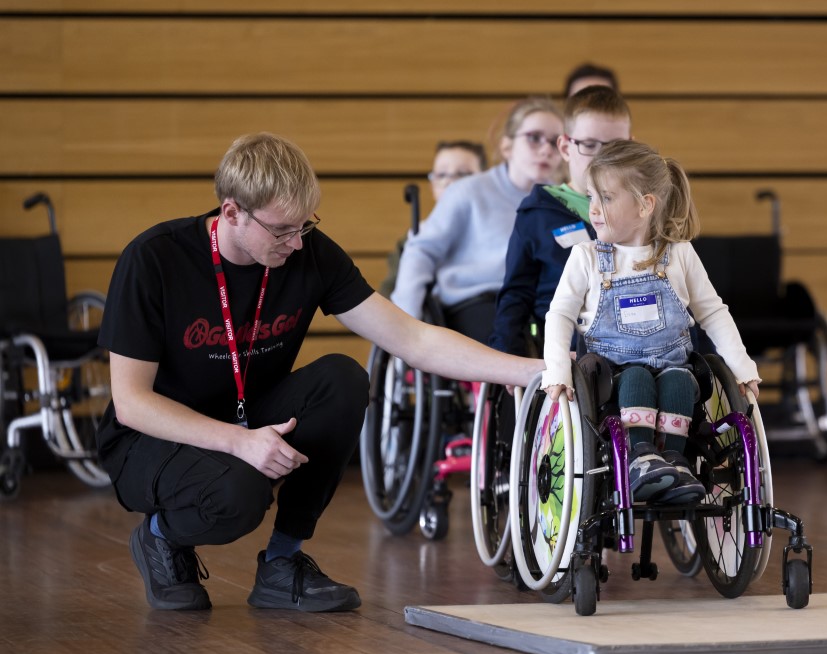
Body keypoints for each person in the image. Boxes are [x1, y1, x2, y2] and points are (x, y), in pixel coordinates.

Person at [96, 132, 545, 613]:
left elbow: (413, 339)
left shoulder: (307, 251)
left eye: (304, 226)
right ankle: (159, 537)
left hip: (251, 419)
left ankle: (283, 564)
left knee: (343, 378)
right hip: (151, 438)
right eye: (282, 230)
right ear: (232, 213)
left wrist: (532, 370)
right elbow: (132, 402)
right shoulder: (154, 259)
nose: (295, 242)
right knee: (239, 496)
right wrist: (237, 441)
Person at [541, 140, 761, 504]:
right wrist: (556, 370)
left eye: (606, 199)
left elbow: (713, 312)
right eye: (591, 198)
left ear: (645, 205)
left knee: (679, 379)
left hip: (673, 368)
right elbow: (559, 315)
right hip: (612, 377)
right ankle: (640, 456)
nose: (593, 210)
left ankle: (675, 461)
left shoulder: (679, 254)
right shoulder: (586, 257)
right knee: (638, 376)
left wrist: (741, 366)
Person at [390, 97, 564, 343]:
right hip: (477, 302)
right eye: (534, 138)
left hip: (539, 307)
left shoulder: (561, 202)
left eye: (555, 142)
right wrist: (405, 322)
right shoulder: (467, 192)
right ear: (506, 146)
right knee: (510, 336)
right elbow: (422, 250)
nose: (546, 149)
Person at [489, 85, 632, 357]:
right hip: (566, 347)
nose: (603, 157)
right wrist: (506, 353)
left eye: (617, 147)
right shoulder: (537, 213)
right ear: (566, 147)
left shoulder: (642, 210)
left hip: (636, 339)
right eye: (589, 145)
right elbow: (516, 294)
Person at [379, 140, 487, 297]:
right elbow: (389, 299)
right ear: (432, 186)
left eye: (463, 174)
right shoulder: (411, 241)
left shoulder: (506, 233)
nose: (450, 182)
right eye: (441, 175)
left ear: (486, 182)